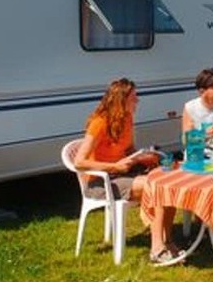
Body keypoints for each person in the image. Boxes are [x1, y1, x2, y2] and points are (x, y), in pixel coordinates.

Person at [74, 78, 181, 264]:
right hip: (101, 183)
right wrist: (114, 167)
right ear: (121, 100)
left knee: (167, 183)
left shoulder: (126, 119)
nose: (138, 101)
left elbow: (129, 149)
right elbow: (79, 162)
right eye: (134, 97)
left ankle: (167, 241)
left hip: (122, 175)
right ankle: (157, 249)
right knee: (155, 186)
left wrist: (143, 157)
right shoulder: (99, 123)